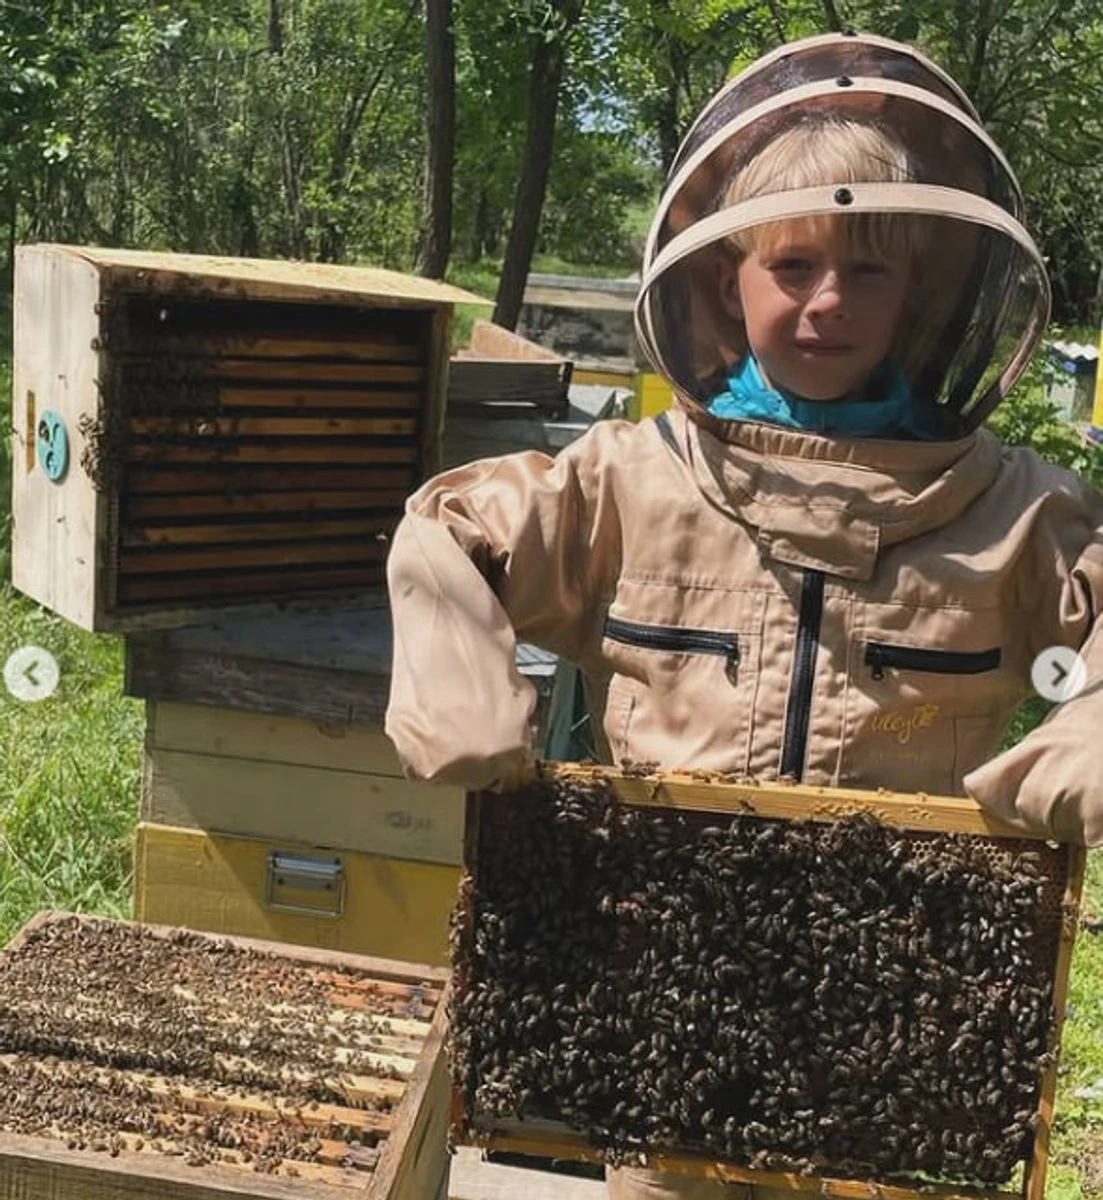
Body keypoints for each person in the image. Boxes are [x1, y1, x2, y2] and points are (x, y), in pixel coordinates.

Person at [385, 31, 1103, 1200]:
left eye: (867, 272)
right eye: (794, 265)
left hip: (898, 1032)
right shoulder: (630, 481)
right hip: (662, 1014)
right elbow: (453, 528)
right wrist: (442, 633)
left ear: (918, 286)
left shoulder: (1016, 512)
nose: (829, 302)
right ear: (727, 278)